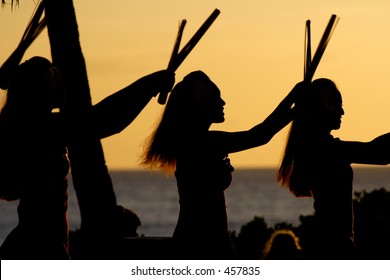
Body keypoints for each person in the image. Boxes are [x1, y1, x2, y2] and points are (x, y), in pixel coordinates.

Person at [0, 56, 174, 259]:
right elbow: (105, 119)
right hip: (38, 246)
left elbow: (102, 118)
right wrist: (150, 84)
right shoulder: (41, 130)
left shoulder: (32, 129)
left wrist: (150, 84)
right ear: (36, 89)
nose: (62, 83)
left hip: (37, 241)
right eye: (54, 78)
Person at [141, 71, 299, 259]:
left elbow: (258, 135)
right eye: (216, 97)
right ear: (199, 105)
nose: (223, 103)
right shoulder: (201, 143)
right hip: (203, 241)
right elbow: (258, 136)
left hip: (199, 237)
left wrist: (294, 103)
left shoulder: (194, 142)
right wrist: (294, 100)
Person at [277, 78, 390, 259]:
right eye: (336, 104)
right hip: (334, 246)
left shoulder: (315, 145)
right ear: (316, 109)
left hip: (329, 242)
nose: (342, 111)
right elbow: (379, 154)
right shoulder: (324, 148)